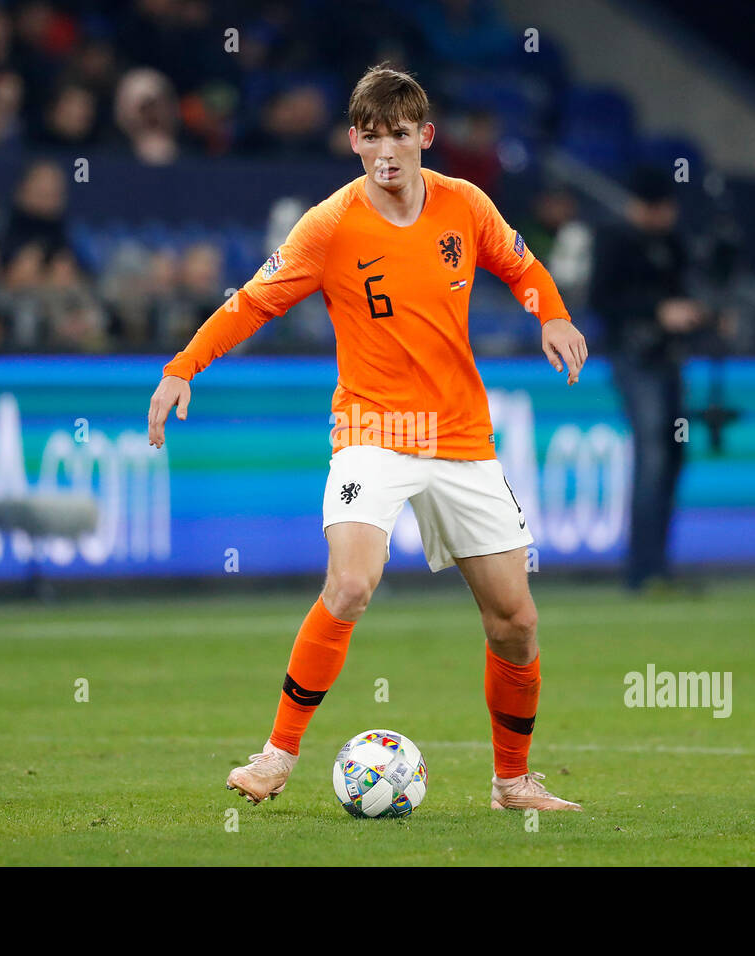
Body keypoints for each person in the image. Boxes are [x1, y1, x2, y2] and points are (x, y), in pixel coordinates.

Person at [147, 65, 588, 812]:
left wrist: (551, 312)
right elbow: (252, 302)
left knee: (515, 621)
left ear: (426, 137)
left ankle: (512, 783)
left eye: (400, 135)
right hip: (372, 432)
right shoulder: (328, 225)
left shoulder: (464, 205)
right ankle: (276, 757)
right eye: (371, 136)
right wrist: (183, 366)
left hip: (460, 437)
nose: (387, 150)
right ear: (353, 141)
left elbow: (522, 264)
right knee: (350, 583)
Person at [590, 165, 704, 592]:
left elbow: (685, 292)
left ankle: (659, 564)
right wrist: (656, 311)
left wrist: (703, 317)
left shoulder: (673, 244)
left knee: (672, 454)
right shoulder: (616, 240)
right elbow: (601, 301)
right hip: (633, 359)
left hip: (669, 359)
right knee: (653, 453)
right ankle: (641, 570)